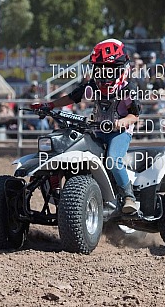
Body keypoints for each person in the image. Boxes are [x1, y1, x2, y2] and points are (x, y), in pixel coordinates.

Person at [31, 39, 141, 214]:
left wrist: (120, 122)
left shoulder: (127, 88)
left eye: (109, 69)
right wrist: (49, 106)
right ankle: (57, 187)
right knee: (68, 148)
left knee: (113, 159)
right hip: (96, 129)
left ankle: (129, 197)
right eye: (101, 69)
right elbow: (71, 97)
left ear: (121, 68)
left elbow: (134, 115)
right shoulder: (93, 85)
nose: (105, 74)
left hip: (119, 132)